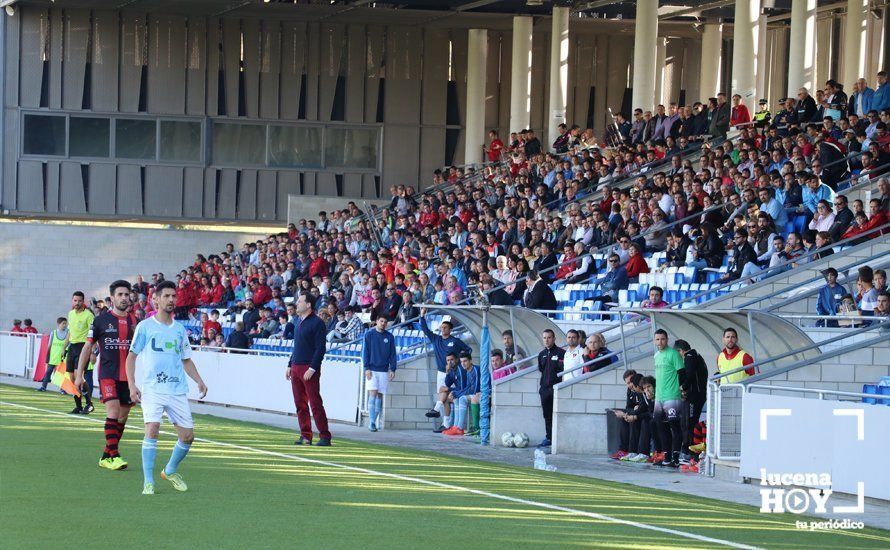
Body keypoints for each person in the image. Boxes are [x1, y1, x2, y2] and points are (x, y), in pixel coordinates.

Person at [126, 280, 208, 496]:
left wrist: (199, 380)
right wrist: (132, 384)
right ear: (156, 299)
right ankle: (148, 481)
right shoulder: (145, 327)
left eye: (174, 296)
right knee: (152, 429)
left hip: (177, 390)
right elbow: (131, 357)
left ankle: (169, 471)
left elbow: (186, 359)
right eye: (167, 296)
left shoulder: (180, 330)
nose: (171, 300)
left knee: (188, 436)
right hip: (153, 390)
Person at [75, 280, 138, 471]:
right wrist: (79, 375)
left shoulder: (135, 322)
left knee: (122, 417)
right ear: (112, 298)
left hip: (127, 377)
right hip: (108, 374)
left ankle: (106, 455)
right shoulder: (101, 320)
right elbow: (87, 347)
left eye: (127, 295)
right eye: (120, 294)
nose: (124, 298)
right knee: (113, 412)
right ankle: (115, 456)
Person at [286, 293, 332, 446]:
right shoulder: (299, 321)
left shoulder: (317, 323)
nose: (297, 303)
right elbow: (297, 346)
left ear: (308, 305)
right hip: (296, 367)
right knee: (300, 403)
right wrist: (289, 364)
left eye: (300, 301)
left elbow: (320, 348)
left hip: (308, 368)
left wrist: (312, 368)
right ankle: (306, 435)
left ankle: (325, 436)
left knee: (315, 403)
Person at [419, 307, 471, 427]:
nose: (443, 329)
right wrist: (422, 316)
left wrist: (462, 363)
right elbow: (425, 330)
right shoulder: (436, 339)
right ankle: (446, 423)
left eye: (445, 327)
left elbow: (468, 350)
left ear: (450, 329)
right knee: (443, 398)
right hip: (441, 373)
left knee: (448, 396)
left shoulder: (455, 341)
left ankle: (438, 412)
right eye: (441, 327)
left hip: (453, 374)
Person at [652, 329, 684, 467]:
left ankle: (676, 458)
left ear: (667, 340)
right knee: (661, 427)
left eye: (663, 339)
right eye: (657, 339)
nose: (660, 342)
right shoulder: (656, 355)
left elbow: (682, 373)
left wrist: (681, 388)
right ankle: (667, 457)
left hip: (672, 396)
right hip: (659, 397)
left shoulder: (674, 354)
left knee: (674, 426)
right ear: (654, 341)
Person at [674, 339, 708, 465]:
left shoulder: (689, 356)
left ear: (680, 351)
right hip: (697, 396)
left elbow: (690, 376)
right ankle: (690, 452)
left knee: (688, 423)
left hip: (694, 397)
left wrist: (682, 387)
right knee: (689, 422)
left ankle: (689, 453)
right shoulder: (696, 356)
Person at [362, 316, 397, 432]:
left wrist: (393, 369)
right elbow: (365, 352)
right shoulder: (369, 335)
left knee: (379, 395)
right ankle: (372, 422)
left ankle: (374, 421)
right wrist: (366, 368)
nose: (383, 323)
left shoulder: (389, 336)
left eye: (385, 322)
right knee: (373, 393)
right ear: (377, 321)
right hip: (372, 368)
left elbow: (393, 354)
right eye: (381, 321)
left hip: (383, 369)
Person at [67, 291, 95, 414]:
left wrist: (93, 352)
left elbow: (94, 333)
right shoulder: (70, 314)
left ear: (83, 301)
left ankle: (89, 404)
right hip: (72, 347)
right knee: (72, 378)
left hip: (83, 347)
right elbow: (70, 332)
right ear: (72, 301)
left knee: (80, 376)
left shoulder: (88, 315)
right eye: (75, 300)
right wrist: (64, 347)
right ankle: (78, 406)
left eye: (79, 301)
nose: (77, 303)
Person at [442, 350, 481, 437]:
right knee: (456, 398)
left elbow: (474, 389)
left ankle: (460, 428)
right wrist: (455, 393)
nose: (463, 363)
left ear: (471, 361)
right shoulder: (468, 371)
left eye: (465, 361)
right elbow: (467, 387)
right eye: (462, 361)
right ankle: (456, 427)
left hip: (482, 393)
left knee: (462, 398)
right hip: (475, 394)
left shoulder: (475, 370)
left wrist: (457, 393)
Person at [536, 329, 565, 448]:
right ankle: (549, 437)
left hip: (556, 389)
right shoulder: (541, 354)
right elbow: (541, 369)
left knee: (556, 415)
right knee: (547, 415)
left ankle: (558, 438)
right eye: (544, 338)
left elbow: (562, 370)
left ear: (554, 339)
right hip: (544, 389)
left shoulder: (561, 353)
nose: (547, 340)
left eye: (549, 337)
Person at [38, 317, 68, 392]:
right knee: (48, 372)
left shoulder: (68, 333)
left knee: (62, 374)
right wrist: (48, 356)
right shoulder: (53, 333)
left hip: (63, 357)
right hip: (53, 356)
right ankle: (43, 387)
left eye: (65, 323)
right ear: (58, 324)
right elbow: (49, 345)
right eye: (63, 323)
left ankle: (62, 389)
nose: (65, 325)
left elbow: (69, 344)